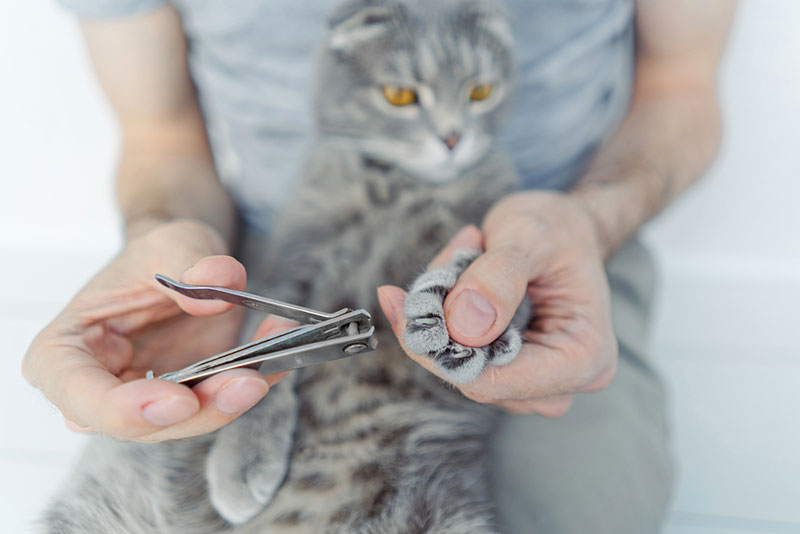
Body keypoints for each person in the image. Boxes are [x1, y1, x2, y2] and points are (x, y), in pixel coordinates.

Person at [23, 0, 735, 532]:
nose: (451, 135)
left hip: (564, 243)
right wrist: (163, 236)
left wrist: (589, 220)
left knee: (568, 507)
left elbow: (682, 90)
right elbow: (160, 132)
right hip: (252, 255)